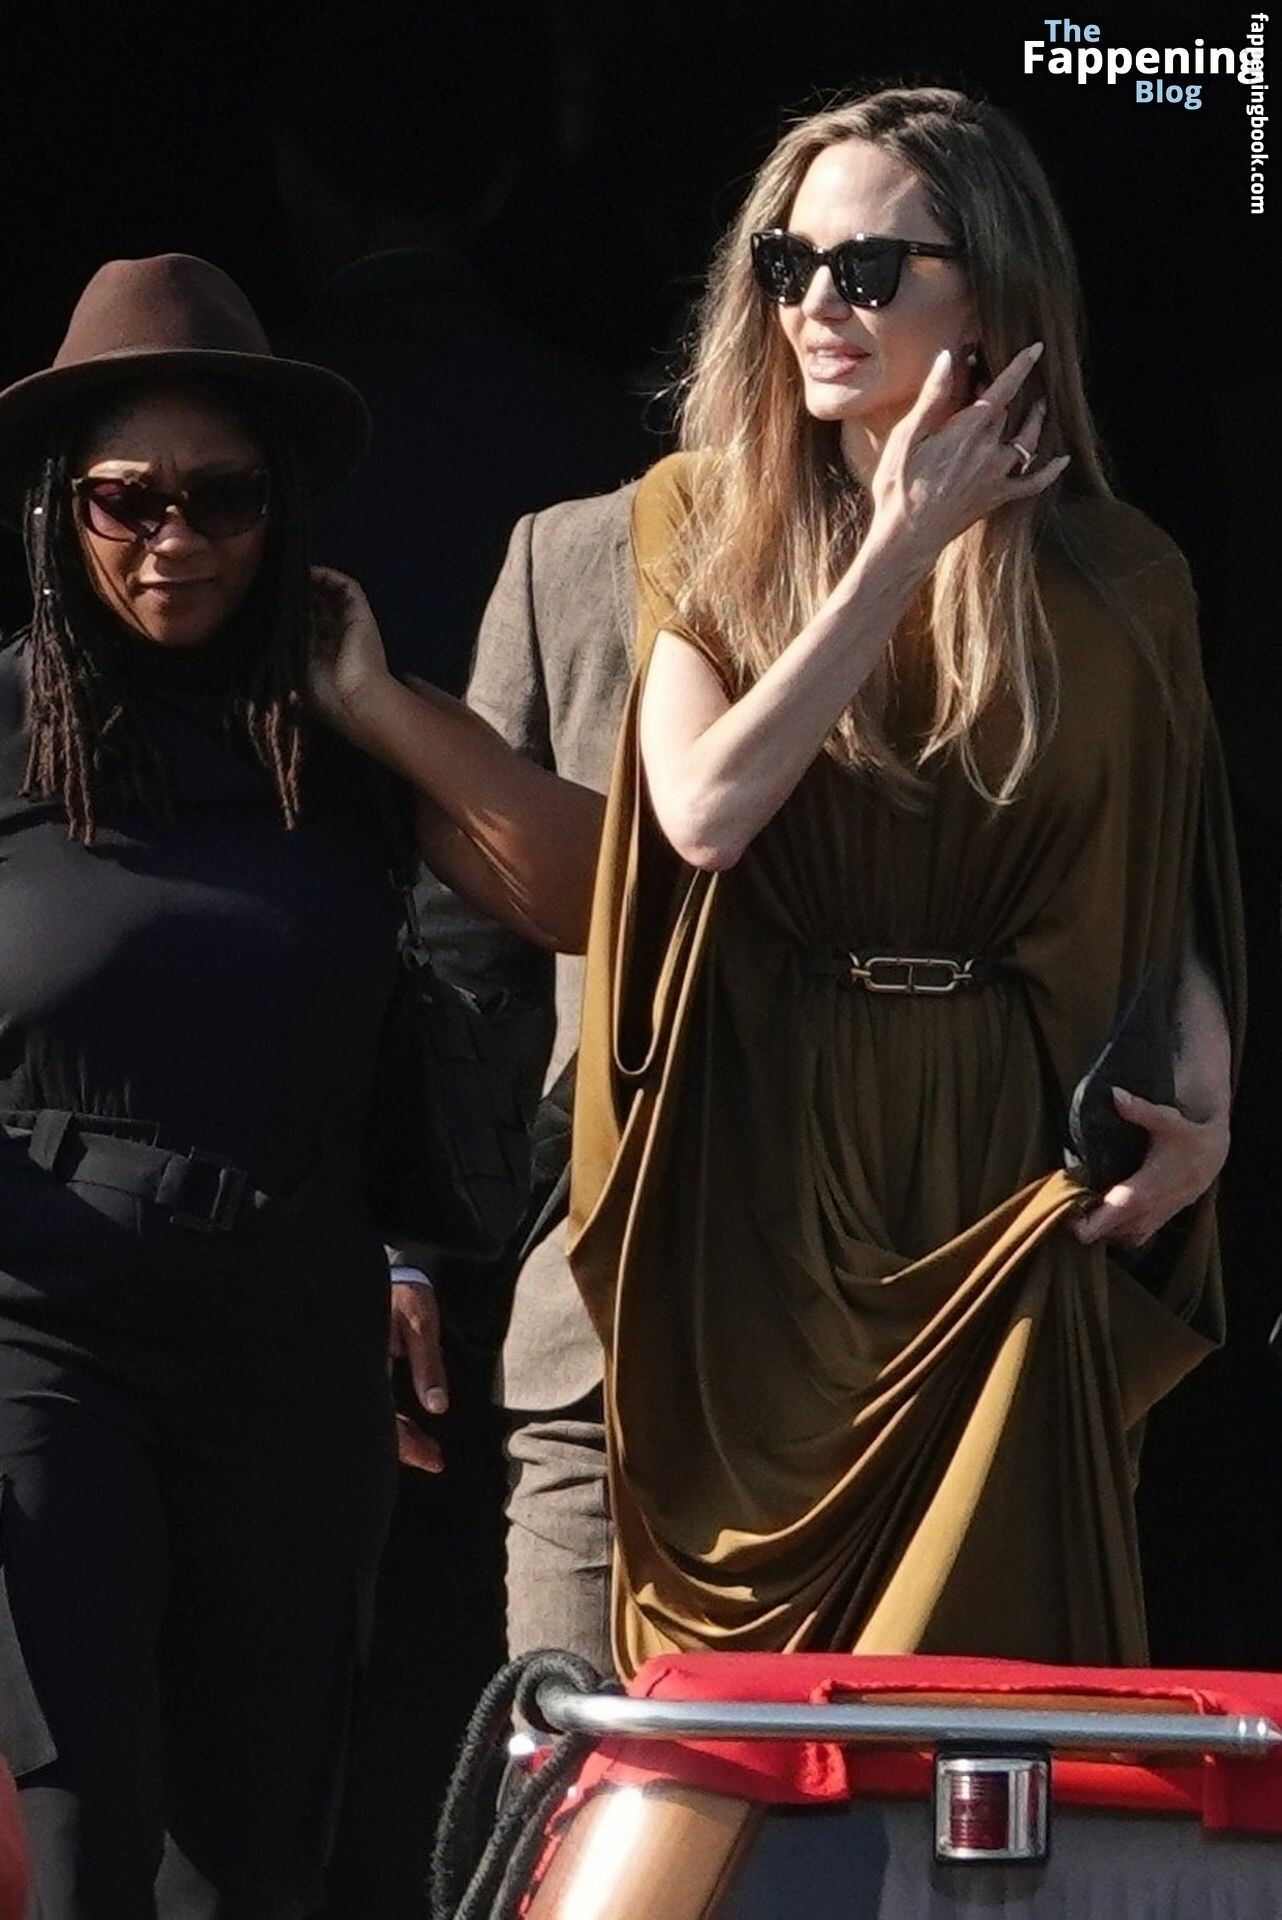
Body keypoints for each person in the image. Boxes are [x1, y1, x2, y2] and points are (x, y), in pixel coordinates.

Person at [567, 88, 1245, 1681]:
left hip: (1005, 1159)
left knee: (987, 1686)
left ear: (989, 291)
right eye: (784, 262)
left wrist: (1207, 1107)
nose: (815, 303)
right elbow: (705, 808)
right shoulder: (704, 516)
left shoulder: (1123, 574)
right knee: (754, 1709)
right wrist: (896, 548)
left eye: (868, 268)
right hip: (768, 1158)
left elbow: (1160, 883)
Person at [0, 254, 596, 1916]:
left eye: (222, 498)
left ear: (280, 514)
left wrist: (383, 707)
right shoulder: (3, 722)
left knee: (255, 1859)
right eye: (127, 500)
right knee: (82, 1829)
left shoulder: (332, 742)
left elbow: (590, 892)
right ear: (63, 510)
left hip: (287, 1324)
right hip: (44, 1325)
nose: (173, 539)